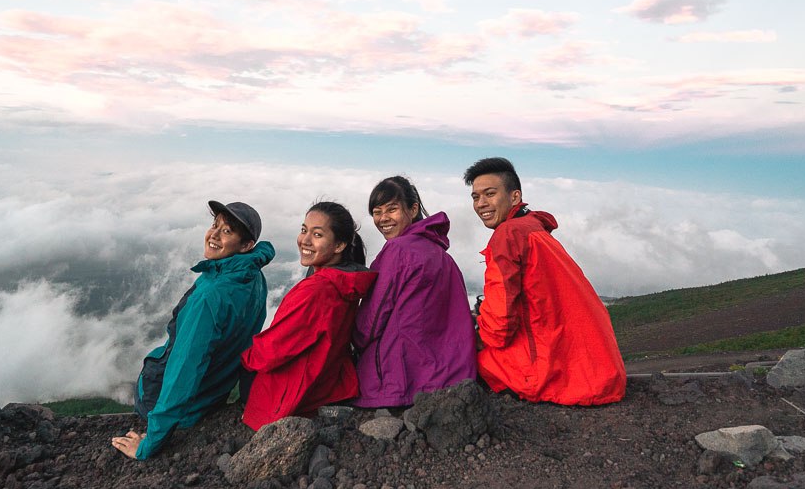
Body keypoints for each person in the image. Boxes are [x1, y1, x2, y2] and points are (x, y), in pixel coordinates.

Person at [111, 201, 273, 460]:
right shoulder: (253, 278)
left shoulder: (210, 297)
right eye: (214, 226)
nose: (214, 235)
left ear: (246, 246)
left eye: (227, 231)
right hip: (212, 396)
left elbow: (183, 371)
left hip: (177, 404)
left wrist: (149, 445)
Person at [463, 157, 625, 406]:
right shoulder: (533, 228)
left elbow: (499, 326)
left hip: (559, 377)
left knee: (465, 355)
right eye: (476, 197)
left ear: (515, 197)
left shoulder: (507, 236)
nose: (481, 203)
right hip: (599, 370)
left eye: (490, 194)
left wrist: (476, 332)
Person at [241, 201, 377, 430]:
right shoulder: (346, 280)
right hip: (325, 382)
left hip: (294, 394)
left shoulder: (316, 290)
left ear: (339, 245)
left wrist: (244, 359)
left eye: (317, 234)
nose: (305, 240)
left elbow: (274, 349)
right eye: (304, 230)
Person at [352, 176, 477, 408]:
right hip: (448, 375)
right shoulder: (442, 255)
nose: (383, 219)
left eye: (392, 209)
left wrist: (351, 343)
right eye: (377, 212)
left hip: (401, 380)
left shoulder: (398, 250)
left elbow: (373, 317)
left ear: (413, 208)